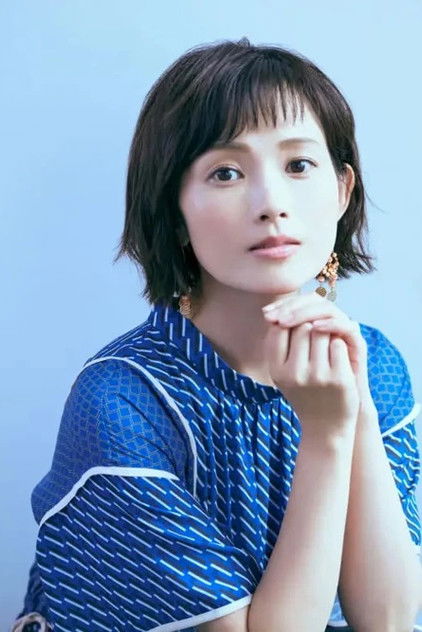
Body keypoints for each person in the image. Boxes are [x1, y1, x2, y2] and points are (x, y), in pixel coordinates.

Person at [11, 37, 422, 632]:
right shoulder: (121, 402)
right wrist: (326, 436)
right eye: (226, 172)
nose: (272, 203)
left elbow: (388, 619)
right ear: (174, 212)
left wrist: (354, 413)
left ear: (342, 190)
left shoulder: (373, 362)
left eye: (298, 165)